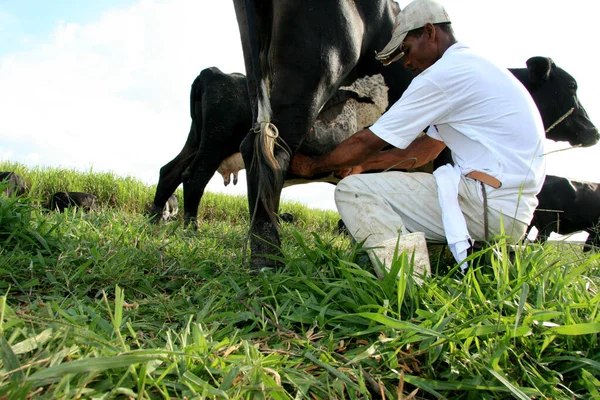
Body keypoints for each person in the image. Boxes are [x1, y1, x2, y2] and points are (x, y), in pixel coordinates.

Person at [290, 0, 546, 282]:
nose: (407, 63)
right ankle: (399, 270)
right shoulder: (472, 65)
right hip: (511, 209)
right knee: (363, 184)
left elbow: (368, 141)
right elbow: (425, 150)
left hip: (488, 204)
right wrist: (363, 167)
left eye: (407, 50)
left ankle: (413, 288)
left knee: (353, 192)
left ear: (429, 32)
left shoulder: (442, 76)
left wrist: (314, 166)